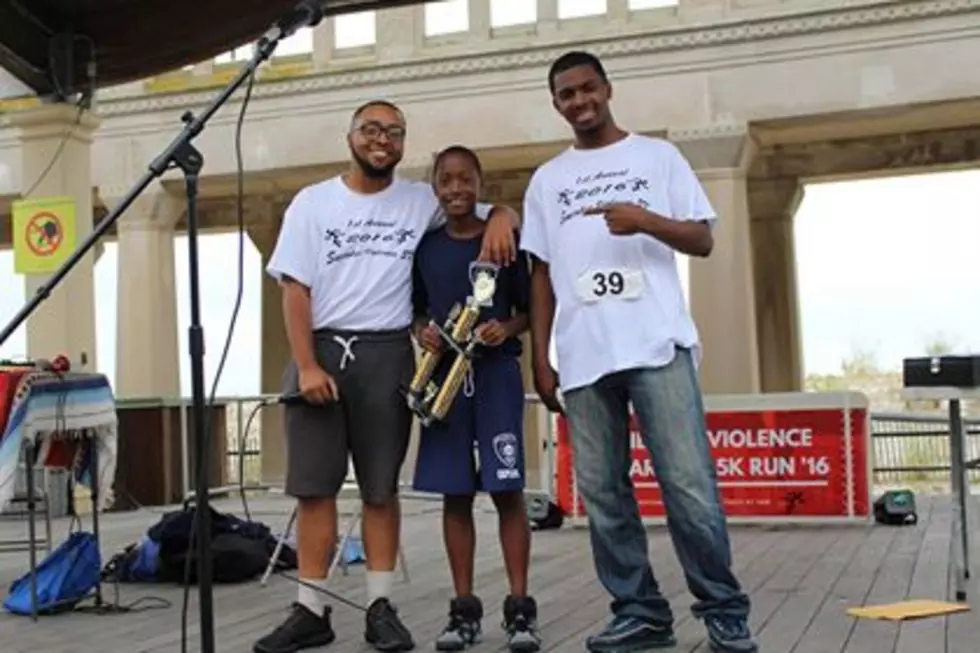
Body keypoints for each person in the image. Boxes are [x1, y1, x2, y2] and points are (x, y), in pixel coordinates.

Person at [254, 100, 520, 653]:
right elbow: (294, 287)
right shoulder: (313, 202)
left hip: (387, 351)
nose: (382, 140)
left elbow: (476, 206)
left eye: (394, 133)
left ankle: (380, 606)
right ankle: (310, 608)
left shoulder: (420, 200)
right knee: (314, 489)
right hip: (324, 346)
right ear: (349, 136)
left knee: (380, 488)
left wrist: (502, 216)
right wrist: (305, 363)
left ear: (403, 145)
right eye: (370, 130)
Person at [519, 51, 758, 653]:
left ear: (607, 89)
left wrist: (645, 220)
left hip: (656, 345)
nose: (579, 101)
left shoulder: (658, 157)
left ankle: (724, 610)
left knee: (688, 485)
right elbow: (541, 272)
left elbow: (702, 238)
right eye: (566, 95)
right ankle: (640, 611)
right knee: (603, 494)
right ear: (556, 104)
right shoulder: (548, 180)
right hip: (583, 356)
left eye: (586, 89)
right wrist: (539, 356)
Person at [409, 145, 540, 653]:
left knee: (507, 490)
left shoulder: (503, 240)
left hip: (496, 376)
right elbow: (417, 312)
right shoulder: (426, 248)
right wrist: (426, 334)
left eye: (466, 179)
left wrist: (501, 327)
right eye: (446, 180)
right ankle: (463, 610)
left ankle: (520, 609)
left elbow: (527, 311)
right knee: (454, 493)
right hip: (445, 380)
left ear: (480, 183)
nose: (457, 189)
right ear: (436, 187)